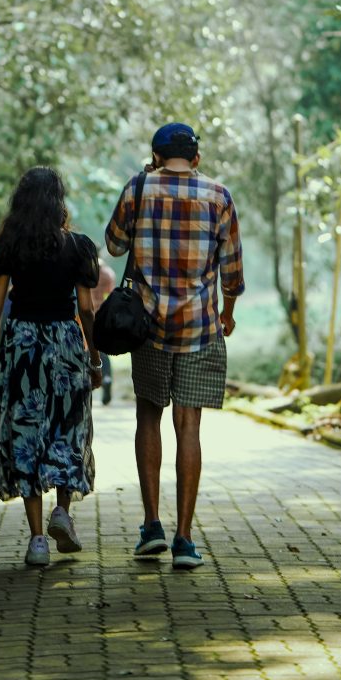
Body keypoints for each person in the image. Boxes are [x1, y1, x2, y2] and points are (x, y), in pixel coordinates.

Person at [105, 122, 245, 570]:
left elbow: (113, 245)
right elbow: (233, 271)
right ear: (197, 158)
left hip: (146, 326)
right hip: (200, 326)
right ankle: (185, 540)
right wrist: (227, 313)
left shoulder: (139, 186)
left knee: (149, 415)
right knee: (190, 427)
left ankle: (152, 528)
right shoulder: (219, 196)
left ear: (156, 155)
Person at [0, 166, 102, 567]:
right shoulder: (78, 247)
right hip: (66, 344)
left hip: (23, 347)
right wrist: (95, 356)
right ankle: (63, 512)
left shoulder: (10, 248)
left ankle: (36, 541)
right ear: (59, 202)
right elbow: (86, 308)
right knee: (67, 427)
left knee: (27, 432)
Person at [90, 252, 117, 405]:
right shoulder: (107, 274)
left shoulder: (86, 271)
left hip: (86, 315)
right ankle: (106, 377)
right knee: (104, 350)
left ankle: (92, 383)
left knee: (89, 349)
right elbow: (111, 296)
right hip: (103, 316)